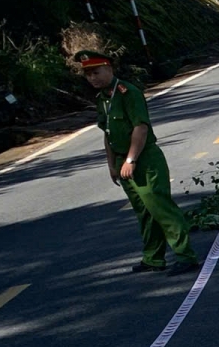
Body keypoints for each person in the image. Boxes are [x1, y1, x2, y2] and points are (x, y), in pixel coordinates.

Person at [79, 50, 198, 273]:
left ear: (109, 68)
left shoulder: (128, 93)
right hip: (123, 160)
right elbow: (108, 133)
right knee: (143, 211)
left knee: (160, 207)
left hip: (144, 159)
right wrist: (112, 164)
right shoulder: (102, 99)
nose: (92, 78)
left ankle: (185, 255)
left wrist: (131, 159)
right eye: (88, 75)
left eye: (96, 72)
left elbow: (140, 128)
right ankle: (153, 258)